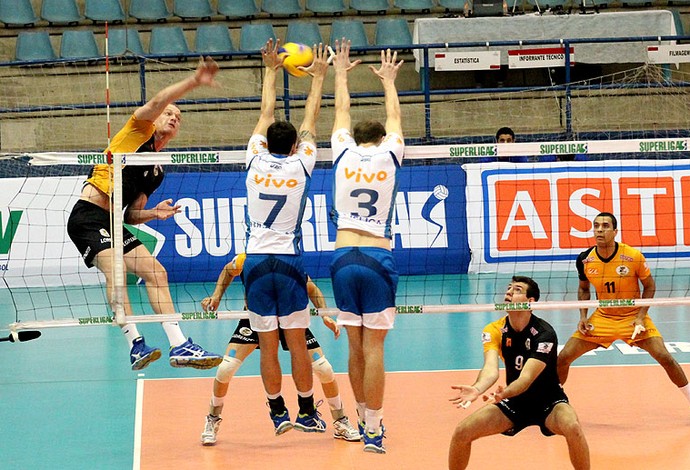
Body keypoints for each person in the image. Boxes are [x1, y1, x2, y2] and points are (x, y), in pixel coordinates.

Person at [66, 57, 223, 371]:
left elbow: (130, 216)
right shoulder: (137, 131)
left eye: (178, 117)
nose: (173, 116)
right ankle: (135, 343)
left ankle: (180, 345)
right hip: (87, 216)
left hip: (112, 221)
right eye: (169, 113)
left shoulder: (156, 170)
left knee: (157, 273)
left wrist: (154, 213)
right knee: (117, 272)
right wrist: (194, 81)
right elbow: (158, 100)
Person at [243, 39, 329, 435]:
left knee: (265, 344)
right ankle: (308, 412)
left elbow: (265, 112)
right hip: (290, 263)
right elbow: (311, 119)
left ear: (265, 143)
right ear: (295, 146)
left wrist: (271, 69)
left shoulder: (254, 157)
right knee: (296, 341)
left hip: (256, 261)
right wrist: (318, 79)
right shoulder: (301, 164)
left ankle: (277, 412)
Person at [329, 40, 405, 454]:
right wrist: (389, 80)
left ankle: (360, 417)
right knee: (374, 347)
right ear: (381, 139)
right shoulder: (390, 153)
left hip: (342, 256)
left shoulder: (341, 153)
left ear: (354, 138)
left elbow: (341, 111)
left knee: (355, 346)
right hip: (376, 255)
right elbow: (394, 117)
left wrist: (341, 72)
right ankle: (374, 429)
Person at [199, 252, 361, 445]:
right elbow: (228, 270)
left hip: (288, 318)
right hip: (256, 317)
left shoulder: (287, 260)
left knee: (323, 369)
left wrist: (324, 314)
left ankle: (340, 420)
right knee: (226, 369)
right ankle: (212, 418)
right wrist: (216, 296)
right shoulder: (247, 258)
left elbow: (312, 289)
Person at [448, 276, 590, 470]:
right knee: (462, 432)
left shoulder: (544, 333)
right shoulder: (494, 329)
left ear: (530, 301)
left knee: (573, 427)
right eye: (508, 289)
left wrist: (503, 393)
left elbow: (526, 378)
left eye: (516, 290)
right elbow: (490, 368)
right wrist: (477, 388)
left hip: (549, 401)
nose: (508, 292)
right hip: (516, 402)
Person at [557, 212, 690, 404]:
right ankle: (554, 402)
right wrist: (583, 316)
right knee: (563, 357)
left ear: (615, 231)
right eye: (596, 226)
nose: (599, 230)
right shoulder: (585, 259)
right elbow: (583, 289)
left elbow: (650, 286)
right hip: (603, 318)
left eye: (605, 226)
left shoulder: (633, 256)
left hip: (633, 317)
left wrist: (641, 316)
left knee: (664, 356)